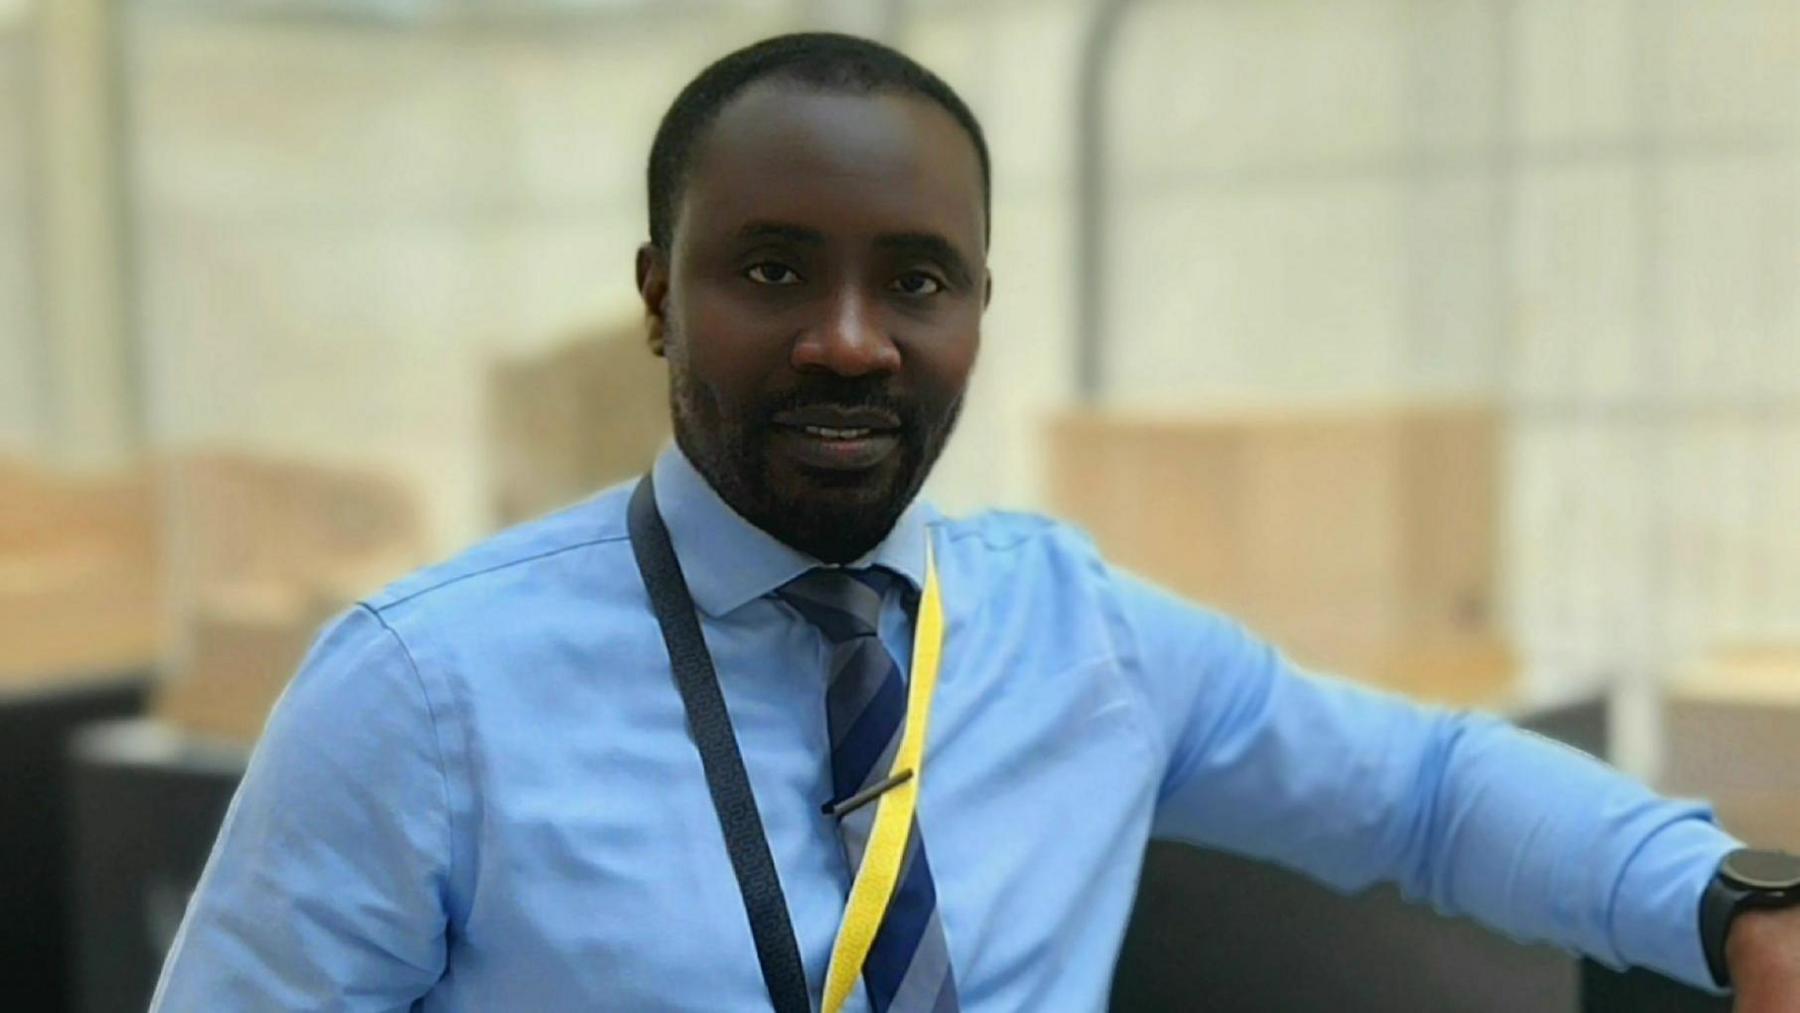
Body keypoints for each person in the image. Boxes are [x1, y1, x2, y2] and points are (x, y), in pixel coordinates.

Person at [153, 31, 1799, 1012]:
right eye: (774, 268)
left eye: (916, 280)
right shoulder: (422, 691)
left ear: (979, 313)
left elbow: (1424, 791)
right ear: (659, 298)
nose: (851, 336)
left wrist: (1730, 903)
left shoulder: (1081, 635)